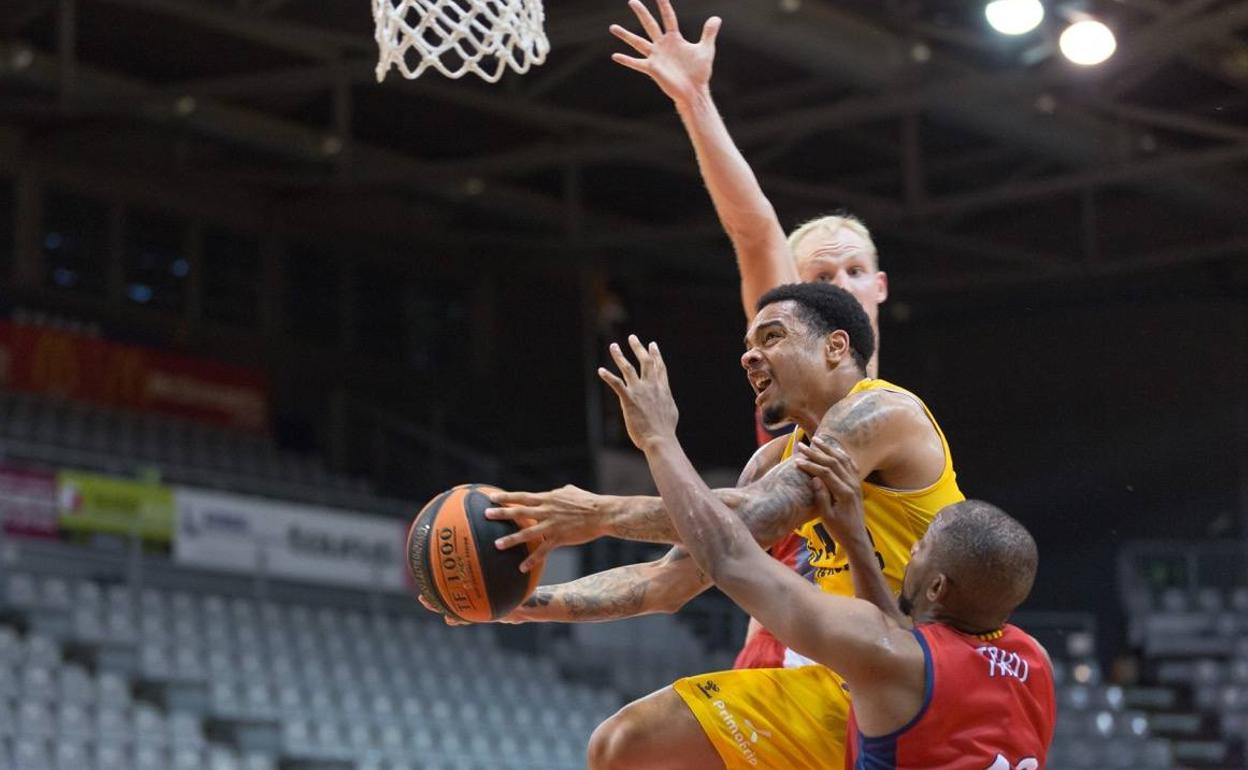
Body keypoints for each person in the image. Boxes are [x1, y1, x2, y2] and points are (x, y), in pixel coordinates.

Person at [468, 282, 965, 769]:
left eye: (772, 337)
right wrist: (521, 604)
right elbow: (667, 583)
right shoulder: (770, 463)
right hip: (847, 682)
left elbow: (746, 517)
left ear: (835, 347)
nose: (749, 357)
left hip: (925, 679)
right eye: (747, 346)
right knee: (623, 744)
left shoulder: (884, 410)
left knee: (627, 742)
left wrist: (605, 505)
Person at [593, 333, 1054, 770]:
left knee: (622, 742)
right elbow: (892, 637)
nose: (913, 547)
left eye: (922, 548)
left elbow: (730, 557)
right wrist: (853, 534)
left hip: (833, 697)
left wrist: (657, 440)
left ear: (937, 587)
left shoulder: (893, 659)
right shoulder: (1035, 663)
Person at [617, 0, 890, 670]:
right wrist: (695, 100)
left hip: (871, 636)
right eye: (821, 274)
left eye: (855, 271)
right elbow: (754, 229)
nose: (841, 283)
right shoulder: (795, 349)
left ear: (880, 287)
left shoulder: (892, 404)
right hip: (790, 634)